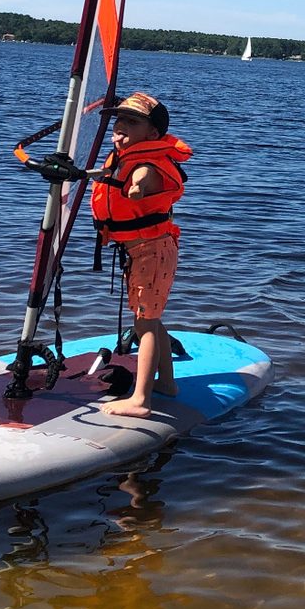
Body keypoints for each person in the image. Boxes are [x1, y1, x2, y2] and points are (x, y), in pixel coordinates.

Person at [89, 91, 192, 418]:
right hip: (146, 252)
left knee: (144, 325)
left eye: (131, 121)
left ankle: (141, 400)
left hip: (152, 252)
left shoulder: (146, 162)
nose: (120, 126)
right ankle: (167, 383)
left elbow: (141, 179)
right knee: (151, 319)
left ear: (153, 134)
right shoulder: (125, 157)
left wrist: (135, 188)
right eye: (118, 119)